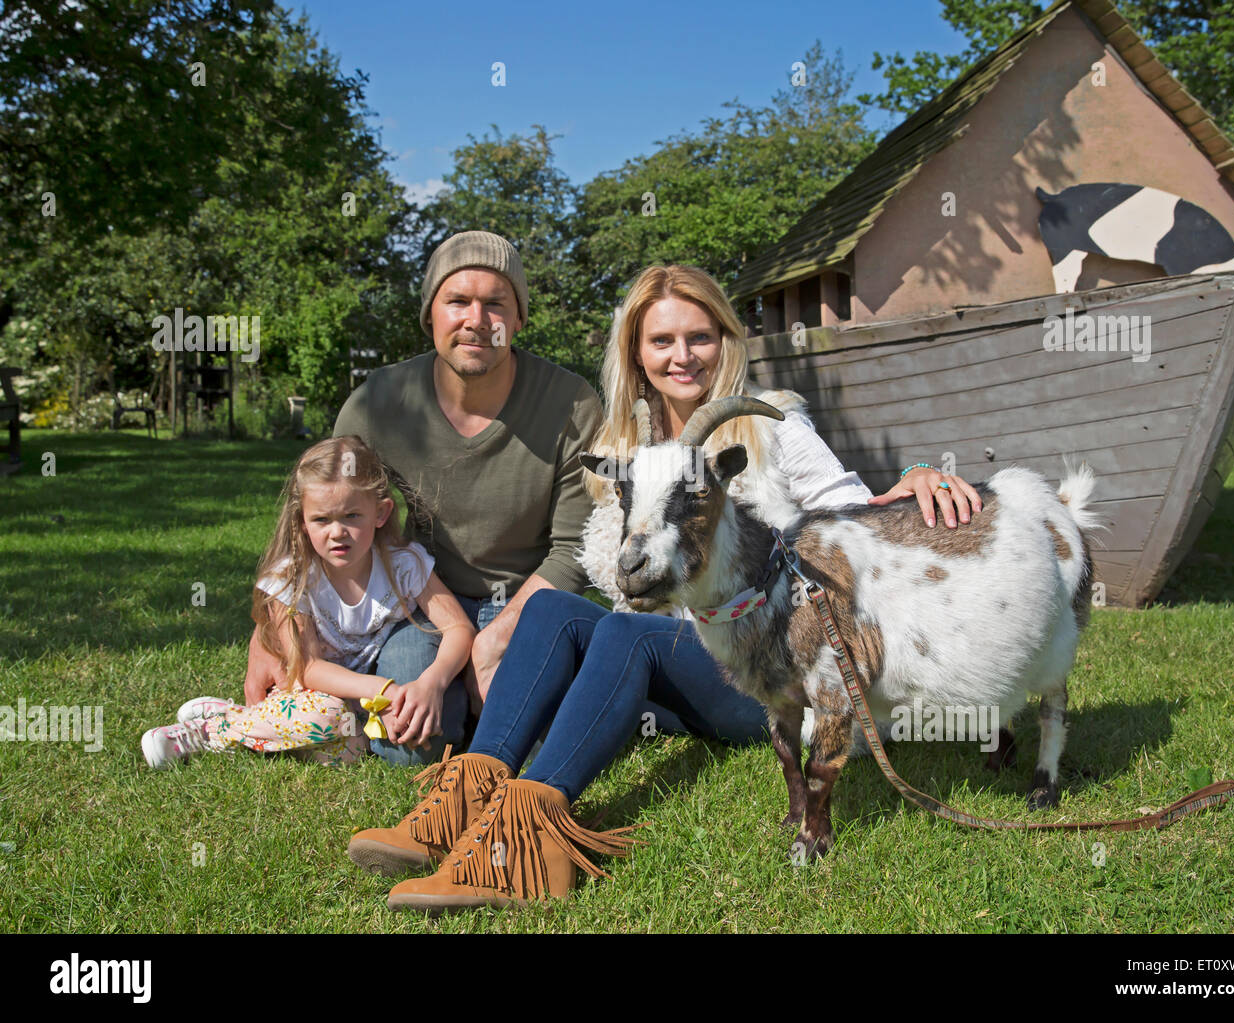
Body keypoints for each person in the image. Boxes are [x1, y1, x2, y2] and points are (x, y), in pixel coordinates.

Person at [349, 264, 983, 913]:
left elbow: (853, 513)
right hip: (689, 660)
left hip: (774, 664)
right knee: (554, 611)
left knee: (628, 632)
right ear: (637, 352)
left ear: (725, 340)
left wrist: (915, 474)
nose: (682, 356)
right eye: (662, 341)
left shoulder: (771, 426)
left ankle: (525, 840)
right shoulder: (630, 444)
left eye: (699, 337)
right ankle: (461, 803)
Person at [240, 232, 604, 766]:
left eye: (496, 303)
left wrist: (495, 639)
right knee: (411, 743)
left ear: (520, 318)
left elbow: (576, 549)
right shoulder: (378, 405)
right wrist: (269, 635)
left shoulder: (572, 403)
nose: (476, 319)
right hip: (420, 605)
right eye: (457, 301)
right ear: (430, 314)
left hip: (532, 605)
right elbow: (326, 515)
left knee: (550, 739)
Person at [141, 437, 474, 770]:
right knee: (326, 716)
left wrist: (432, 681)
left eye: (352, 515)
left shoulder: (404, 565)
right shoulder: (293, 579)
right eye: (321, 520)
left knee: (354, 748)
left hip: (361, 703)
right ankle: (212, 729)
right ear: (301, 520)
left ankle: (250, 726)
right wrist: (383, 690)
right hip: (312, 693)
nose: (337, 532)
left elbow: (459, 628)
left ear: (381, 512)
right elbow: (309, 668)